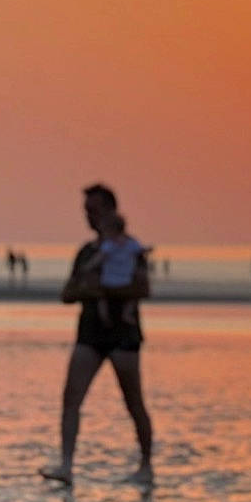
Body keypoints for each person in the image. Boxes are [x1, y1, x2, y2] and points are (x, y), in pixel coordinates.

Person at [42, 183, 155, 486]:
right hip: (90, 333)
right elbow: (68, 292)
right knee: (71, 398)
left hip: (124, 335)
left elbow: (143, 288)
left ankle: (146, 465)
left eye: (93, 211)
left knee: (134, 401)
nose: (88, 217)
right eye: (86, 211)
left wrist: (105, 289)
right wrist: (91, 288)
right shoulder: (88, 252)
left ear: (110, 211)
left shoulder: (132, 248)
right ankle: (66, 465)